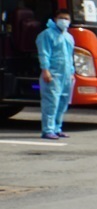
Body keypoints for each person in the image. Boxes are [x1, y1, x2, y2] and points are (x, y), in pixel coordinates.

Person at [36, 8, 75, 140]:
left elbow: (70, 56)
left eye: (67, 19)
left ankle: (57, 128)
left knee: (63, 102)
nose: (64, 21)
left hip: (65, 75)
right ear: (55, 19)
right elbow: (44, 54)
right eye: (61, 18)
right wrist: (45, 70)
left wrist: (71, 72)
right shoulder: (47, 35)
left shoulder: (68, 37)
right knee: (51, 103)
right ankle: (48, 130)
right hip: (53, 74)